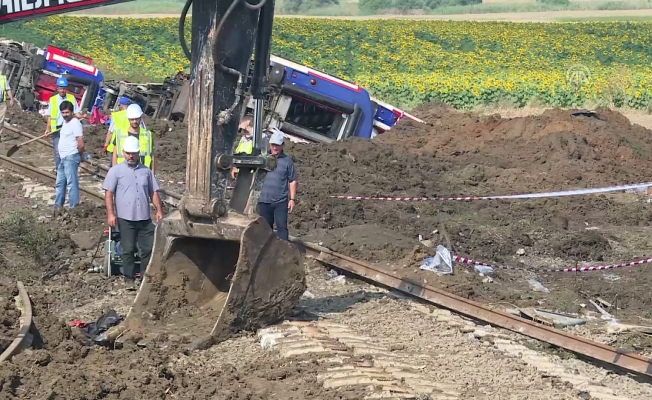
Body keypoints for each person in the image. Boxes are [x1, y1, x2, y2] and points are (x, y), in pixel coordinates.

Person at [103, 135, 164, 290]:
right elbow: (109, 193)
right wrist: (111, 214)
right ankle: (129, 279)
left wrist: (159, 210)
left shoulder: (146, 172)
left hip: (144, 217)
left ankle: (145, 277)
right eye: (128, 153)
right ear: (124, 152)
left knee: (148, 248)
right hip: (125, 218)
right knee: (128, 249)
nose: (131, 156)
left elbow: (153, 192)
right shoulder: (115, 171)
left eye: (134, 153)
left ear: (138, 153)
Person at [257, 131, 297, 241]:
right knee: (265, 228)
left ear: (282, 145)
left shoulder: (287, 161)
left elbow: (292, 180)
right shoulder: (263, 158)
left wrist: (292, 199)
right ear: (270, 144)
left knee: (282, 227)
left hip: (280, 202)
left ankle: (283, 250)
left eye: (277, 145)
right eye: (273, 145)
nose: (275, 147)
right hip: (264, 200)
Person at [53, 101, 87, 215]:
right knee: (60, 183)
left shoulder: (75, 123)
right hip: (63, 158)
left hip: (71, 157)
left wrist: (81, 155)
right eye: (63, 113)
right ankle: (58, 207)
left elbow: (81, 143)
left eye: (67, 112)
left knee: (72, 183)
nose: (65, 115)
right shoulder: (65, 122)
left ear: (72, 112)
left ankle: (74, 208)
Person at [44, 77, 85, 171]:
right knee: (58, 152)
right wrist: (48, 128)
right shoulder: (53, 100)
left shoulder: (71, 98)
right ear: (57, 88)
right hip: (57, 130)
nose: (62, 90)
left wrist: (83, 116)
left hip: (68, 129)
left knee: (69, 151)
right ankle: (59, 170)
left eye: (64, 88)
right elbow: (49, 116)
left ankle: (68, 168)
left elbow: (76, 112)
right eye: (60, 88)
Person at [112, 103, 155, 173]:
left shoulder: (147, 134)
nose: (135, 121)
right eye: (132, 119)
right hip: (123, 171)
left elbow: (152, 156)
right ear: (128, 119)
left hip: (142, 172)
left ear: (140, 118)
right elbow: (115, 154)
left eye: (137, 119)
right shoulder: (120, 133)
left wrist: (152, 174)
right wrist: (114, 172)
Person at [103, 96, 131, 166]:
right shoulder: (134, 116)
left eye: (119, 105)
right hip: (129, 146)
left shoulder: (116, 116)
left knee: (114, 167)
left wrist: (106, 145)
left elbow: (110, 132)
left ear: (121, 105)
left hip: (116, 145)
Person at [0, 73, 15, 140]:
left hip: (2, 103)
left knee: (1, 120)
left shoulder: (3, 78)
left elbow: (8, 89)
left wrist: (11, 99)